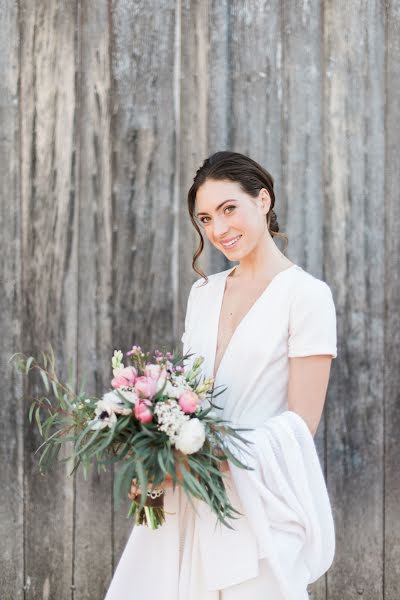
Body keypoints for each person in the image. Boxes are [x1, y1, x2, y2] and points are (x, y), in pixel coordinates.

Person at [104, 151, 337, 599]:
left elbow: (299, 427)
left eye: (230, 209)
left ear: (263, 200)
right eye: (206, 218)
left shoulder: (307, 296)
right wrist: (153, 461)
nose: (219, 230)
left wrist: (195, 460)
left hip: (256, 502)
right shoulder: (204, 293)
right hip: (187, 495)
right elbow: (185, 399)